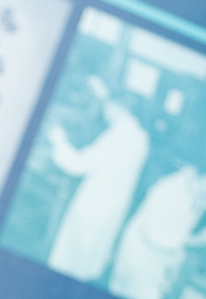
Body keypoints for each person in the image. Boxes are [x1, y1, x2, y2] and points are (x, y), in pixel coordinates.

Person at [45, 78, 151, 282]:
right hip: (111, 211)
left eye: (107, 105)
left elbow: (78, 164)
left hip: (92, 209)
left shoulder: (119, 135)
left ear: (116, 106)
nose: (104, 111)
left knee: (69, 265)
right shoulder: (140, 137)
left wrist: (58, 139)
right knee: (88, 265)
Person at [109, 165, 206, 299]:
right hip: (141, 256)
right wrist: (198, 240)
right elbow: (155, 235)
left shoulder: (196, 189)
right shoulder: (171, 191)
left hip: (154, 258)